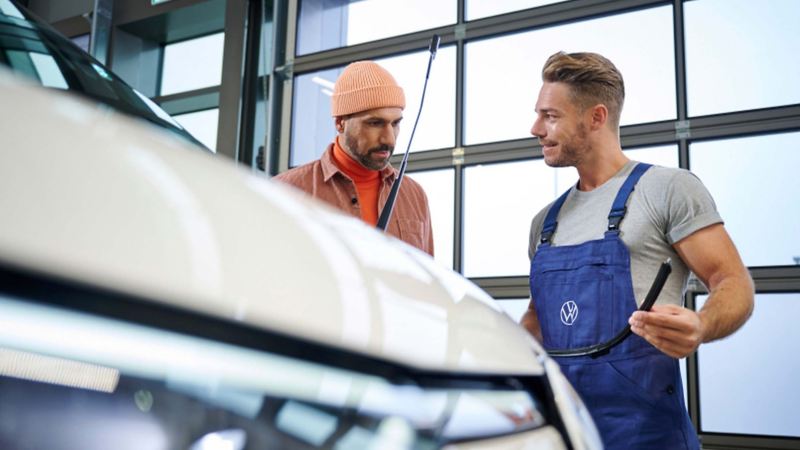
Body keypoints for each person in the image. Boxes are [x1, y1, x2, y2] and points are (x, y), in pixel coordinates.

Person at [522, 51, 754, 450]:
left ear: (596, 117)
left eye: (551, 116)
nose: (535, 128)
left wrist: (700, 326)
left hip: (648, 438)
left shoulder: (666, 189)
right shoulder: (545, 222)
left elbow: (733, 283)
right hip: (564, 435)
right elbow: (539, 320)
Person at [274, 61, 434, 256]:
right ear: (340, 123)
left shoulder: (414, 196)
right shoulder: (285, 191)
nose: (389, 139)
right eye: (375, 123)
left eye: (395, 124)